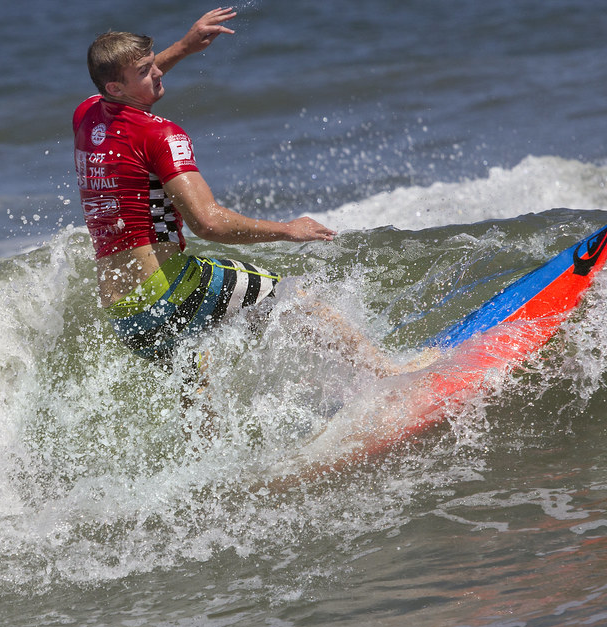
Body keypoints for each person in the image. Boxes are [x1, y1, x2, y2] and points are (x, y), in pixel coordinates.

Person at [73, 8, 427, 379]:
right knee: (292, 299)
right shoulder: (161, 135)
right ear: (115, 88)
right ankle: (392, 375)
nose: (157, 71)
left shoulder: (87, 115)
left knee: (196, 377)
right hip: (168, 290)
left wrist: (183, 47)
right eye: (146, 70)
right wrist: (288, 230)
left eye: (153, 62)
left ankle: (212, 429)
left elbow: (126, 80)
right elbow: (208, 223)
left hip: (127, 316)